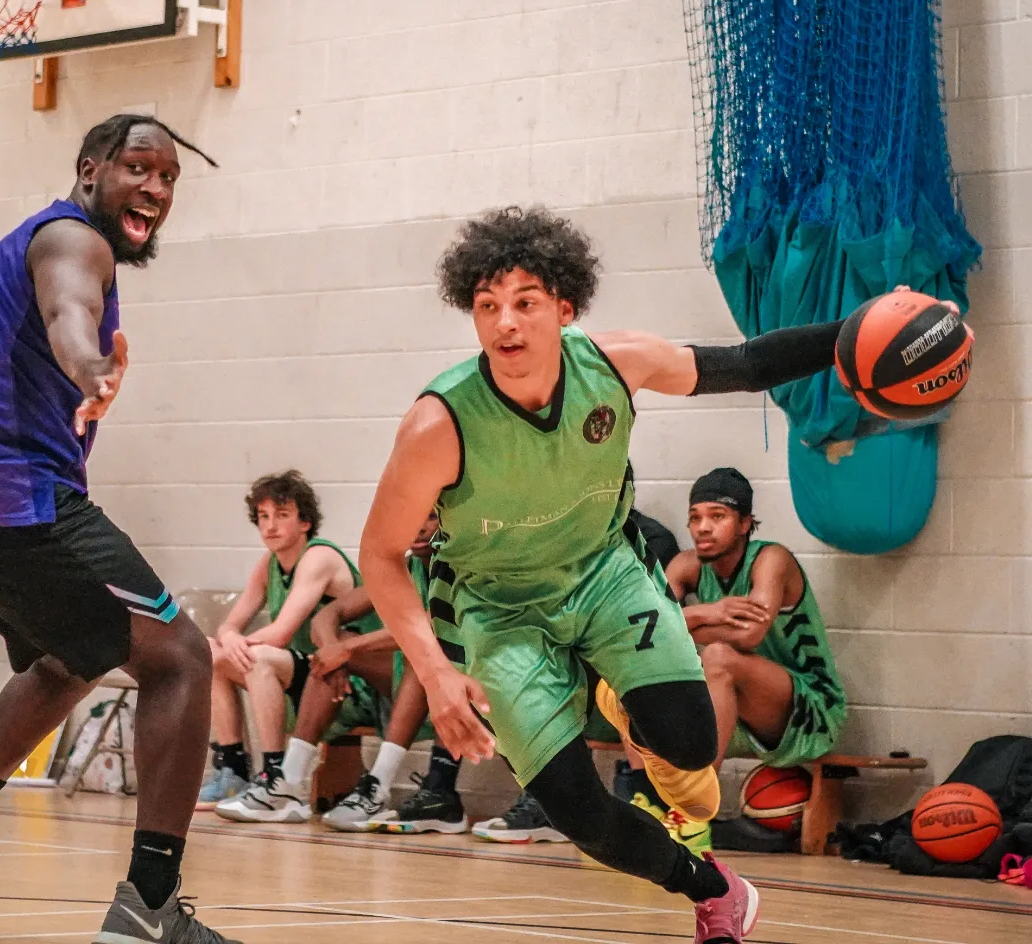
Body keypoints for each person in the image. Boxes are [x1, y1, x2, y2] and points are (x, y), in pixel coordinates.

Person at [360, 206, 904, 943]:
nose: (505, 325)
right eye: (488, 307)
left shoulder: (616, 364)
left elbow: (743, 366)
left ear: (565, 306)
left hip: (605, 575)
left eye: (524, 302)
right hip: (498, 610)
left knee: (688, 747)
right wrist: (434, 669)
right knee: (579, 813)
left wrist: (857, 333)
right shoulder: (439, 424)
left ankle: (620, 694)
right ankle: (714, 891)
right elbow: (381, 555)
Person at [0, 115, 240, 944]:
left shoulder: (25, 246)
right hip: (2, 494)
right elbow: (71, 316)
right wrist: (93, 371)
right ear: (89, 168)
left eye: (170, 178)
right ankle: (151, 907)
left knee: (78, 652)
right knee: (180, 660)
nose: (157, 190)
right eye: (139, 168)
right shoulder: (73, 240)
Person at [217, 514, 466, 834]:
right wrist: (335, 650)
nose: (418, 525)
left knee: (417, 655)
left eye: (430, 517)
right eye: (413, 515)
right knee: (334, 653)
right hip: (393, 690)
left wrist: (348, 651)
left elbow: (429, 628)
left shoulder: (462, 567)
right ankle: (288, 784)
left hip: (463, 688)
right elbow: (329, 615)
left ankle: (378, 786)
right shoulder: (402, 567)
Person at [473, 503, 682, 846]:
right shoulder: (557, 532)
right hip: (583, 663)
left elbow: (641, 616)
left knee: (602, 659)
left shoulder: (651, 539)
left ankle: (642, 803)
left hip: (634, 664)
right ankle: (548, 798)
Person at [200, 471, 371, 819]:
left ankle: (276, 775)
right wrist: (229, 638)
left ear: (305, 521)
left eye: (281, 515)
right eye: (263, 517)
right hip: (304, 671)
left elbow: (280, 633)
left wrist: (235, 641)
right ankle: (232, 769)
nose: (270, 526)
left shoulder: (319, 557)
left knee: (259, 657)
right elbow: (229, 624)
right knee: (208, 653)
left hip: (349, 676)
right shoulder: (269, 564)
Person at [668, 467, 846, 775]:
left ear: (744, 523)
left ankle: (694, 806)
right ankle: (644, 795)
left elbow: (749, 634)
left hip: (809, 712)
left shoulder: (771, 559)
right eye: (695, 517)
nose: (702, 528)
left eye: (717, 516)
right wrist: (704, 612)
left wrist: (681, 626)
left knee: (718, 657)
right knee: (634, 674)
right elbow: (645, 628)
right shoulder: (686, 565)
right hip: (734, 711)